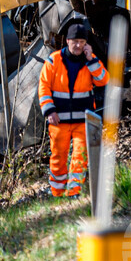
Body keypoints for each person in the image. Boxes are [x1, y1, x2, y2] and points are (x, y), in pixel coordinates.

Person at [37, 24, 108, 197]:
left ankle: (74, 192)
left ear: (86, 44)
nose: (78, 45)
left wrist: (91, 60)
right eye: (75, 41)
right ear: (67, 41)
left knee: (80, 156)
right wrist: (49, 111)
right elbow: (43, 88)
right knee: (58, 157)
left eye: (82, 42)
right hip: (58, 120)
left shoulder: (90, 61)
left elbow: (103, 80)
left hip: (83, 120)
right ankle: (57, 192)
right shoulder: (53, 60)